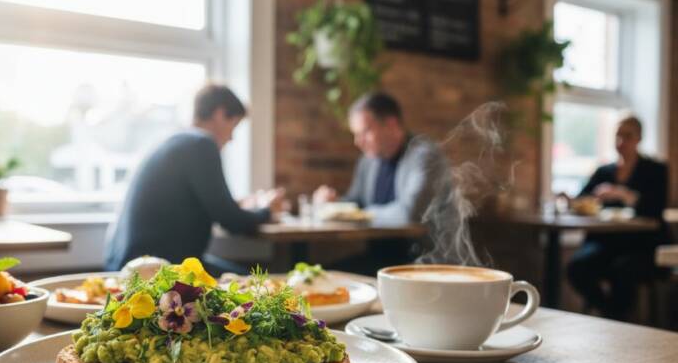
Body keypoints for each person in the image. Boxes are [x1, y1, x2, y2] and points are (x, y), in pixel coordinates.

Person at [105, 84, 285, 275]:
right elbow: (231, 221)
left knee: (242, 280)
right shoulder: (201, 143)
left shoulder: (176, 141)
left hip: (128, 263)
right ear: (220, 114)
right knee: (254, 287)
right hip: (154, 270)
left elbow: (209, 205)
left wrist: (241, 205)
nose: (231, 138)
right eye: (233, 126)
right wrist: (267, 210)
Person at [312, 91, 453, 273]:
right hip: (380, 260)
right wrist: (333, 204)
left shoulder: (424, 155)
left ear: (391, 125)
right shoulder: (368, 161)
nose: (358, 142)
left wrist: (360, 215)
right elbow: (356, 202)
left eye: (365, 132)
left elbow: (410, 213)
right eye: (355, 134)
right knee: (319, 275)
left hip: (422, 262)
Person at [566, 116, 669, 321]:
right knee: (577, 267)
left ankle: (616, 317)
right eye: (618, 135)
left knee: (623, 269)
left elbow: (655, 210)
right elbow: (582, 200)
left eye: (627, 136)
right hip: (608, 243)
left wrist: (623, 194)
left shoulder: (656, 170)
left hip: (643, 245)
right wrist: (569, 200)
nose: (621, 141)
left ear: (639, 139)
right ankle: (612, 314)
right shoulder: (604, 172)